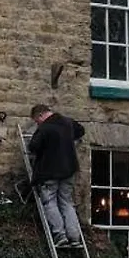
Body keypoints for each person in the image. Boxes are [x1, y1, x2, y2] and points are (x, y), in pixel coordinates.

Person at [27, 104, 86, 247]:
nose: (37, 123)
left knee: (50, 201)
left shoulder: (45, 128)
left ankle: (59, 235)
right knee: (66, 202)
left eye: (36, 120)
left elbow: (33, 147)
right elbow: (81, 130)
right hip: (69, 170)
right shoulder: (67, 122)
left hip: (49, 171)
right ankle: (74, 236)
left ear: (41, 115)